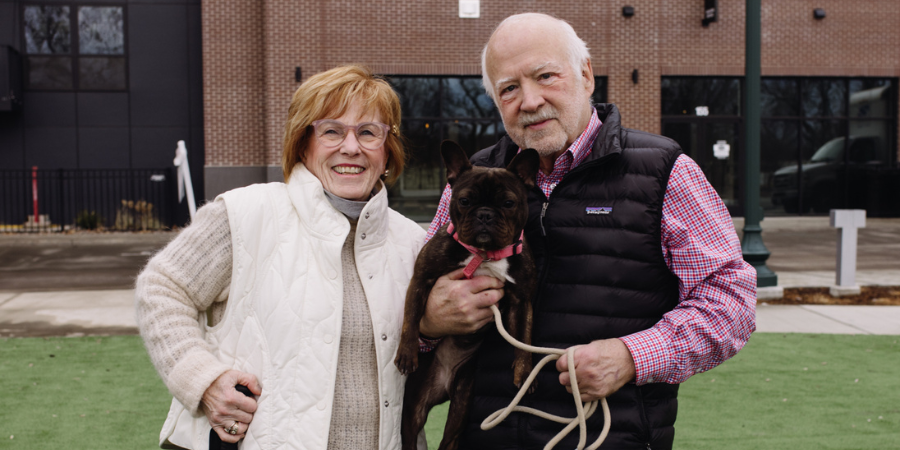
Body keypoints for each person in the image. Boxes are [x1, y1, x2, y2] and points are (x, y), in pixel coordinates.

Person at [419, 13, 756, 449]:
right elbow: (412, 291)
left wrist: (632, 356)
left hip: (606, 437)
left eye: (545, 76)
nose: (530, 100)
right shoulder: (471, 183)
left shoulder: (665, 172)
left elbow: (731, 301)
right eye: (509, 88)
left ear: (586, 76)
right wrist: (429, 321)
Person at [135, 64, 425, 450]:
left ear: (387, 150)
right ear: (303, 144)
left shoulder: (411, 242)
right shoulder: (247, 213)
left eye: (369, 132)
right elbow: (161, 289)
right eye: (332, 131)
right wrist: (202, 380)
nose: (351, 147)